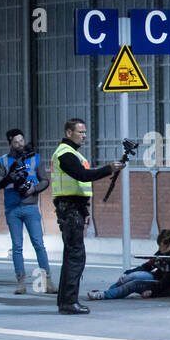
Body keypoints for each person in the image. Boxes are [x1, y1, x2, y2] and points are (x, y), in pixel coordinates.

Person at [50, 118, 123, 314]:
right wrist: (108, 169)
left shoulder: (72, 153)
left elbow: (81, 182)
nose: (84, 136)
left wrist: (86, 211)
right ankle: (69, 302)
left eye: (84, 132)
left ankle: (65, 301)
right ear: (68, 133)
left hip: (75, 208)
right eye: (80, 132)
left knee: (71, 255)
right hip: (70, 208)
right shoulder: (64, 154)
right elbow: (82, 175)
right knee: (76, 256)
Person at [0, 129, 54, 295]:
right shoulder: (4, 161)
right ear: (10, 143)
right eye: (16, 142)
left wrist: (33, 189)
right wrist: (9, 178)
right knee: (17, 246)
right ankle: (21, 283)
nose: (20, 144)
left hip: (30, 206)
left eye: (22, 140)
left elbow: (45, 180)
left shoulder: (34, 158)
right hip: (12, 208)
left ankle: (47, 282)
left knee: (38, 244)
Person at [87, 229, 170, 300]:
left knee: (134, 284)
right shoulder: (161, 253)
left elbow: (166, 282)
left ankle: (104, 295)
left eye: (163, 247)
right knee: (132, 276)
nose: (160, 250)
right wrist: (127, 273)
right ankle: (109, 292)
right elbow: (146, 266)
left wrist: (153, 293)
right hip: (156, 278)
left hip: (164, 288)